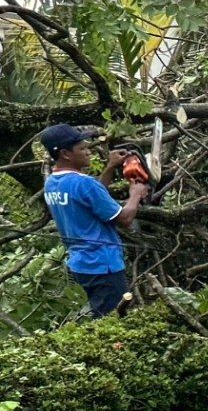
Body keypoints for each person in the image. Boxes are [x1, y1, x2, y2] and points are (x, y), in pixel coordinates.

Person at [39, 124, 149, 318]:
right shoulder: (84, 183)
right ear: (65, 154)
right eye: (82, 148)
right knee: (113, 319)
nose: (88, 152)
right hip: (103, 264)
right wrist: (136, 194)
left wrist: (110, 167)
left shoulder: (52, 183)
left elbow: (91, 197)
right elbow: (124, 219)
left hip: (81, 263)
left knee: (101, 314)